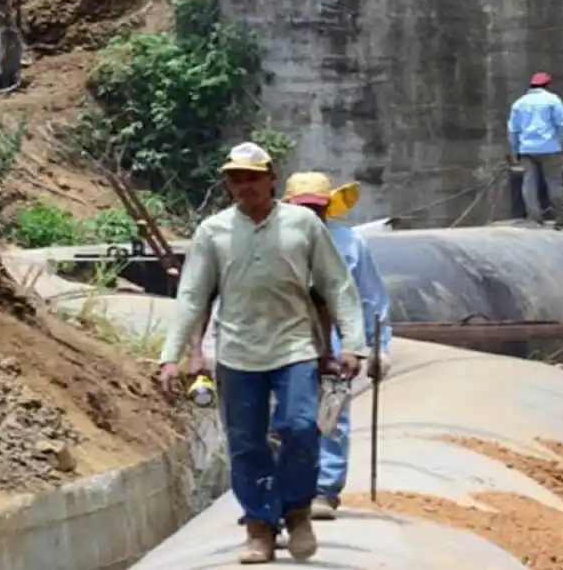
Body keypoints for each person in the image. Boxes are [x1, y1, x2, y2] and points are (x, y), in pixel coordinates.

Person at [157, 142, 368, 565]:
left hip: (295, 347)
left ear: (272, 178)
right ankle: (259, 527)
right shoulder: (212, 231)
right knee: (246, 444)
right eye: (236, 178)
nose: (244, 186)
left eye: (252, 177)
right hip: (238, 353)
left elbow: (337, 284)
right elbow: (192, 295)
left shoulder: (303, 225)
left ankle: (296, 511)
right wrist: (171, 355)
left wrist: (355, 343)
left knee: (301, 427)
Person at [280, 171, 392, 521]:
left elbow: (371, 297)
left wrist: (377, 346)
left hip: (337, 343)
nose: (310, 215)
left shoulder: (350, 243)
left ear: (328, 207)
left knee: (332, 415)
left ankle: (325, 490)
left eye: (316, 208)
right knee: (286, 417)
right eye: (303, 208)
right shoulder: (274, 241)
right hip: (285, 341)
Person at [508, 71, 563, 227]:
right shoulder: (553, 100)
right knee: (554, 182)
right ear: (547, 85)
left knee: (529, 182)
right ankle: (561, 218)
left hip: (526, 148)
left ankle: (534, 217)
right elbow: (562, 124)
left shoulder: (519, 103)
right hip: (550, 147)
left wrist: (514, 148)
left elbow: (513, 129)